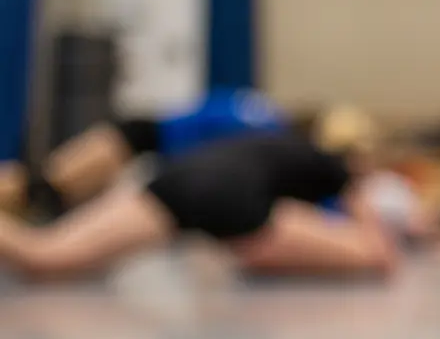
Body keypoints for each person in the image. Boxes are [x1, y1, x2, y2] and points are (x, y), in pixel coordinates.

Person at [0, 110, 402, 282]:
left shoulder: (269, 140)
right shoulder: (337, 169)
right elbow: (380, 251)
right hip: (234, 202)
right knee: (367, 257)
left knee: (45, 255)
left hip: (178, 179)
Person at [0, 88, 286, 220]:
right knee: (43, 189)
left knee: (43, 188)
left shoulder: (261, 118)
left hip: (144, 142)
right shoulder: (266, 128)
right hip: (140, 142)